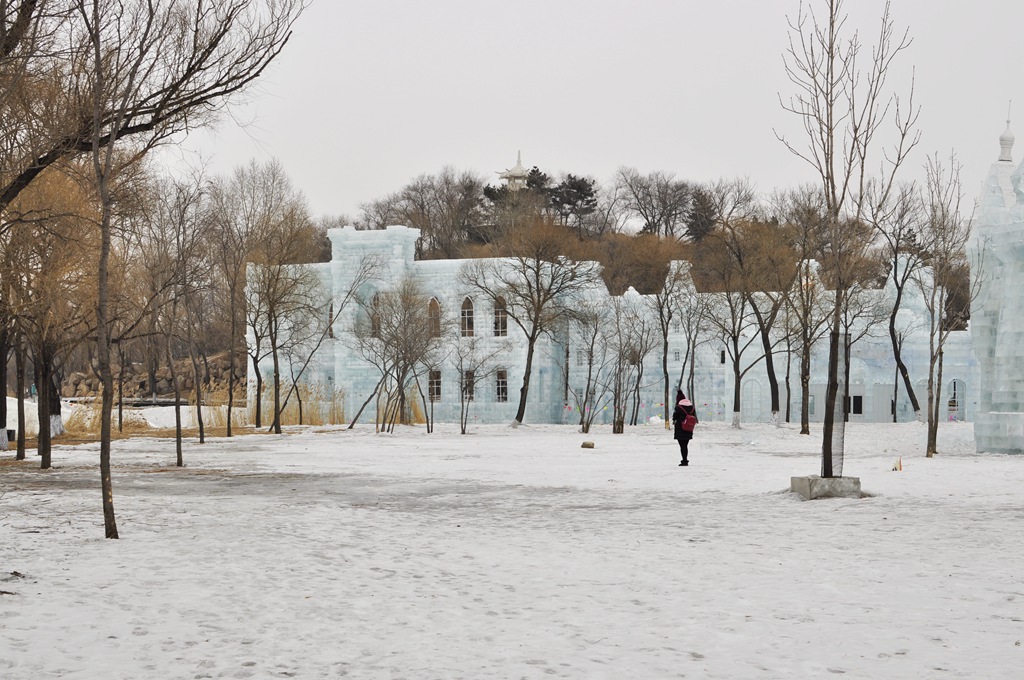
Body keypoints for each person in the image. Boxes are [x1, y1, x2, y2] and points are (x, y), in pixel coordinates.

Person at [672, 390, 698, 466]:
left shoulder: (678, 407)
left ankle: (684, 460)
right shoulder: (691, 407)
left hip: (680, 428)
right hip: (689, 428)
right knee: (685, 445)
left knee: (682, 445)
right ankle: (685, 460)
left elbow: (675, 417)